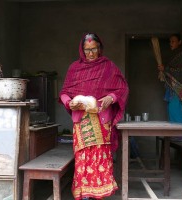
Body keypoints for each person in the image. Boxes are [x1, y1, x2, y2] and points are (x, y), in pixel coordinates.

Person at [59, 33, 129, 200]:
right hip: (81, 122)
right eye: (87, 50)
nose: (90, 53)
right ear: (82, 50)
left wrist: (110, 98)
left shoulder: (108, 67)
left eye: (94, 49)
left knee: (100, 157)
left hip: (102, 120)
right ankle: (84, 195)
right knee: (83, 157)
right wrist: (69, 102)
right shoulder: (74, 68)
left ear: (100, 48)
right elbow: (64, 93)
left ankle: (99, 195)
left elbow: (122, 88)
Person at [158, 34, 182, 124]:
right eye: (170, 41)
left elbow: (179, 71)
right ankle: (174, 135)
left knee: (175, 108)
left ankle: (179, 136)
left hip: (179, 89)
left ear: (180, 42)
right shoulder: (174, 55)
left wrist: (165, 69)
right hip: (173, 89)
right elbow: (172, 69)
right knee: (171, 109)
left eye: (173, 41)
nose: (171, 43)